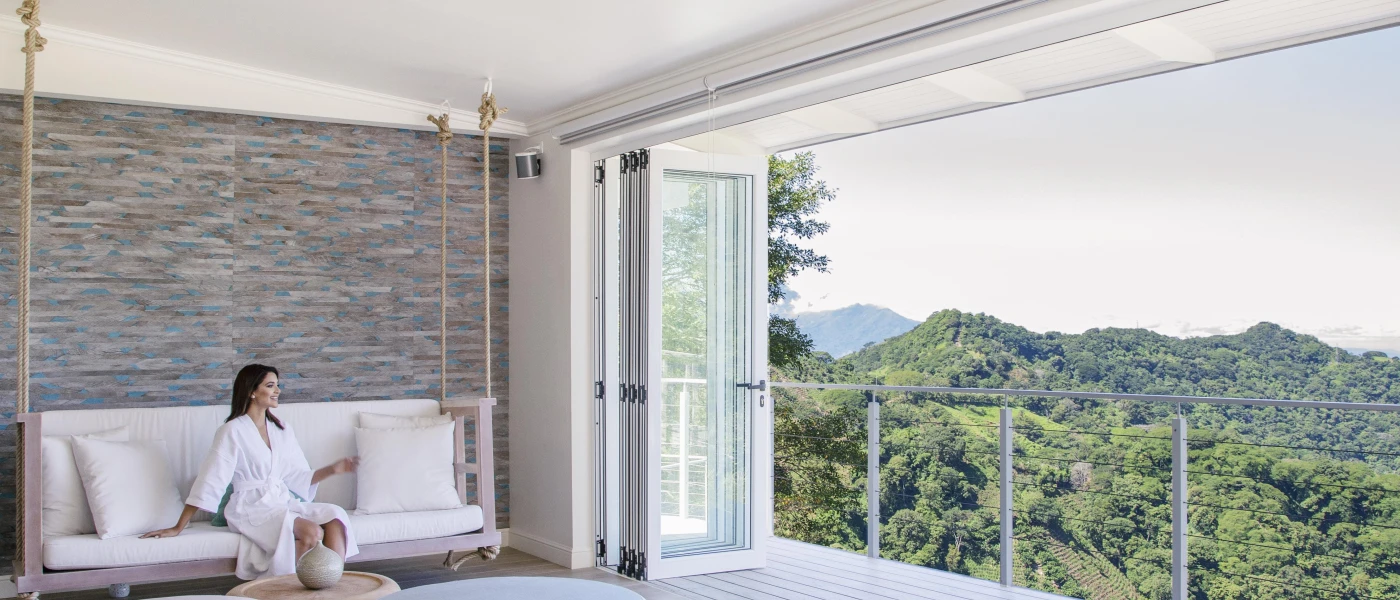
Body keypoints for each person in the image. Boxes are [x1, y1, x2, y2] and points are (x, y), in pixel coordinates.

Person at [142, 364, 360, 580]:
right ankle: (287, 590)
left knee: (336, 518)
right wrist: (179, 526)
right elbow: (211, 479)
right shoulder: (232, 431)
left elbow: (297, 477)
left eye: (277, 385)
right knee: (312, 532)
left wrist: (334, 469)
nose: (278, 391)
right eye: (270, 385)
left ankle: (332, 586)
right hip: (250, 507)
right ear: (251, 391)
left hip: (280, 502)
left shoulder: (281, 429)